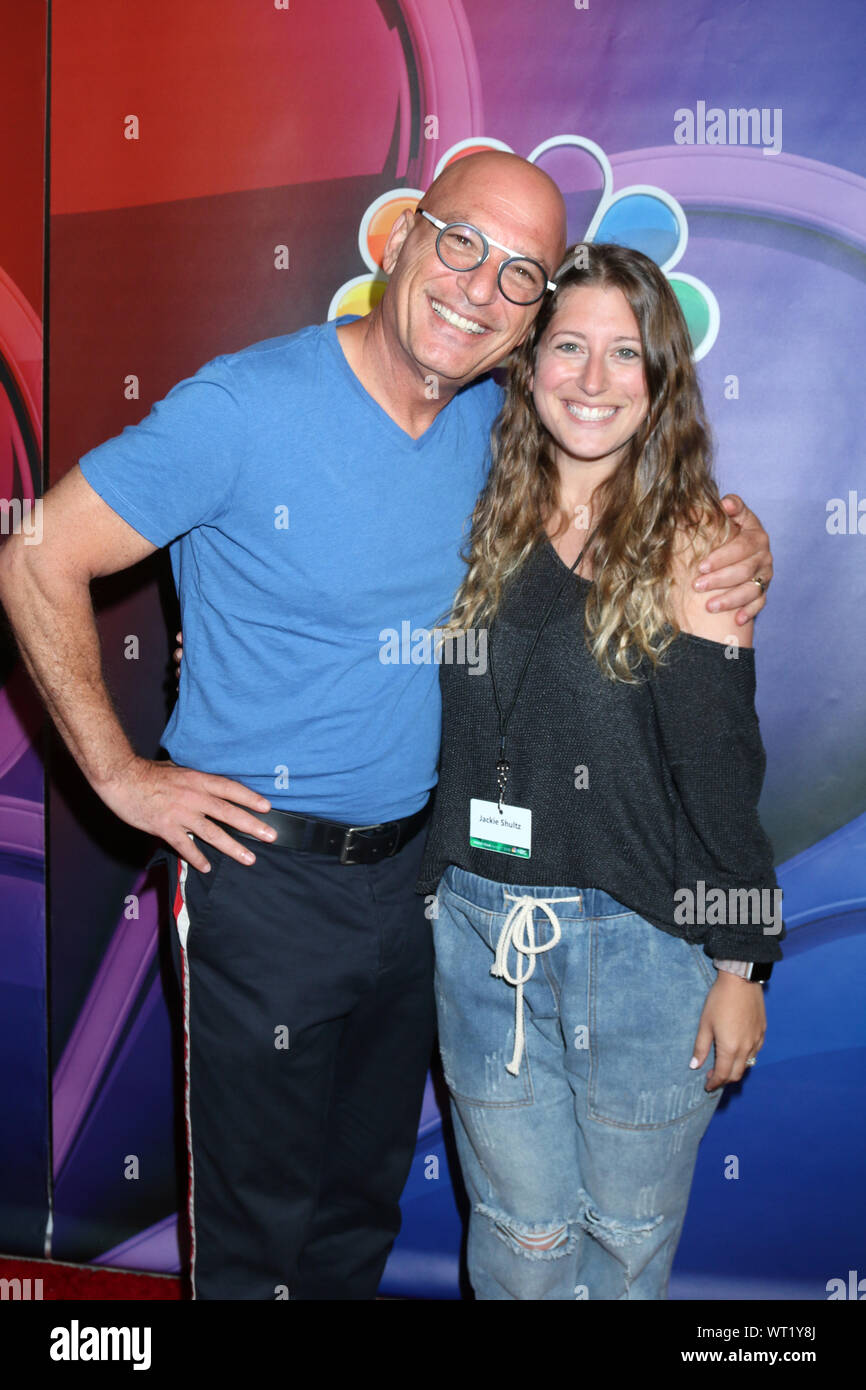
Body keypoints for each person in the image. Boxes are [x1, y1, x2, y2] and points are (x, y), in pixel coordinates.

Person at [0, 153, 773, 1301]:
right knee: (255, 1223)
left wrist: (729, 535)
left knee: (359, 1204)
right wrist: (117, 773)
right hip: (260, 874)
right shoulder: (244, 404)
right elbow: (36, 555)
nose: (478, 288)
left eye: (521, 277)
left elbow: (616, 486)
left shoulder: (495, 436)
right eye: (460, 242)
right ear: (401, 235)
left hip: (429, 883)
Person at [417, 241, 783, 1301]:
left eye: (623, 355)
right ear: (526, 365)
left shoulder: (696, 543)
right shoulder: (476, 508)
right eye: (567, 346)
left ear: (661, 380)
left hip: (642, 954)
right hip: (481, 939)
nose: (589, 379)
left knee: (620, 1247)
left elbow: (721, 774)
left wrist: (739, 968)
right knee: (519, 1242)